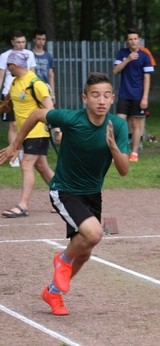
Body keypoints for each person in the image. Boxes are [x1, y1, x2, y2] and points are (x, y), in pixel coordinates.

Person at [0, 72, 129, 315]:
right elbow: (37, 114)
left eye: (106, 95)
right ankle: (62, 260)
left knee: (85, 251)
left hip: (92, 193)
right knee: (94, 234)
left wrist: (113, 147)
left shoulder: (118, 126)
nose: (101, 100)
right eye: (95, 95)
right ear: (84, 98)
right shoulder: (71, 119)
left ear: (112, 99)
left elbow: (123, 171)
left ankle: (53, 292)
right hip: (65, 190)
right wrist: (16, 144)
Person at [1, 51, 54, 218]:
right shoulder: (15, 83)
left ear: (15, 65)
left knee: (26, 165)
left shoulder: (35, 83)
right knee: (42, 168)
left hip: (38, 131)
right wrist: (4, 106)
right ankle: (67, 197)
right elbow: (7, 106)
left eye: (9, 65)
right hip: (24, 133)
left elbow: (50, 109)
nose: (8, 68)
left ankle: (23, 205)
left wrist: (58, 130)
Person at [113, 27, 154, 162]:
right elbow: (115, 70)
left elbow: (147, 78)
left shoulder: (145, 56)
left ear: (139, 40)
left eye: (135, 39)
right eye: (130, 39)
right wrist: (128, 60)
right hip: (124, 94)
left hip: (138, 96)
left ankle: (134, 152)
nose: (133, 41)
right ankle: (118, 151)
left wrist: (145, 97)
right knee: (119, 123)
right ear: (127, 41)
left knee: (136, 124)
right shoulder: (122, 53)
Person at [0, 30, 37, 167]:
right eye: (18, 42)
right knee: (13, 124)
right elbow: (1, 75)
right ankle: (13, 154)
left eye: (23, 42)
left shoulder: (30, 54)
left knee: (25, 123)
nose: (21, 45)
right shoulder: (5, 56)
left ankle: (23, 152)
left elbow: (32, 73)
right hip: (9, 92)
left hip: (26, 93)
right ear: (12, 42)